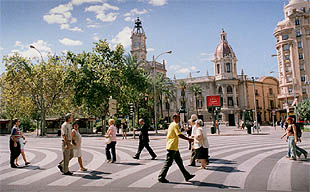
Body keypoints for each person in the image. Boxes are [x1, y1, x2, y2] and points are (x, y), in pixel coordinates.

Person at [158, 113, 195, 183]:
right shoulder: (175, 125)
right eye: (178, 118)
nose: (180, 119)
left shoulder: (171, 124)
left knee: (180, 163)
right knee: (168, 163)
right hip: (172, 147)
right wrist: (188, 139)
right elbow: (179, 135)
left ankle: (187, 175)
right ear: (174, 118)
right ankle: (161, 177)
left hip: (174, 147)